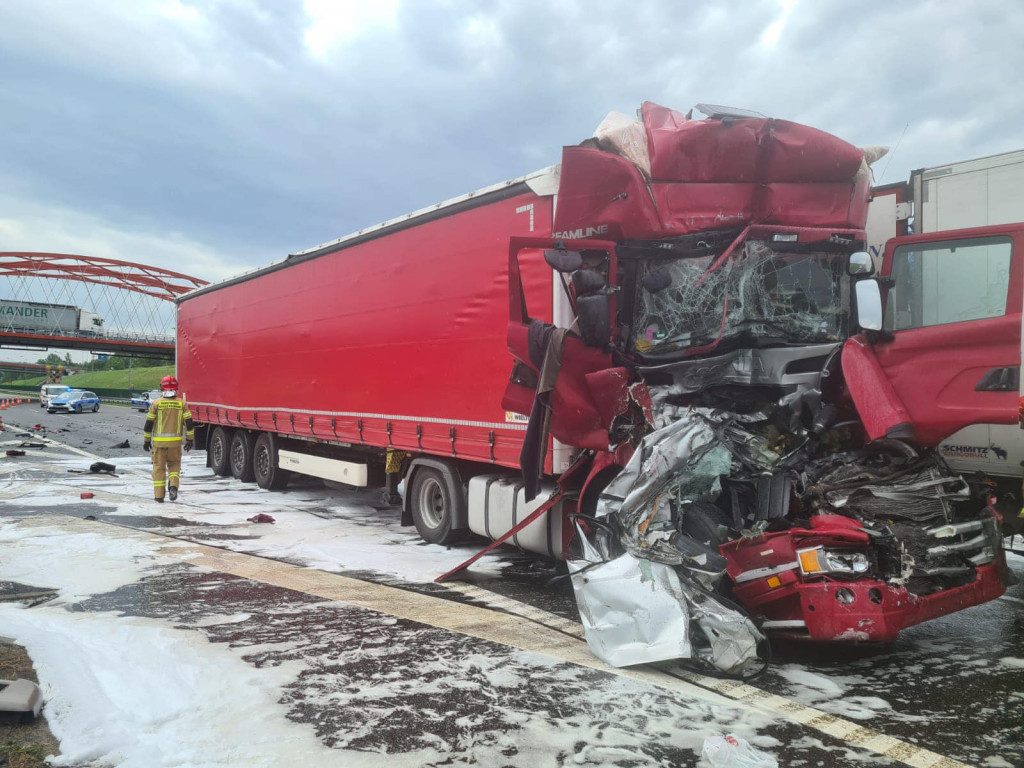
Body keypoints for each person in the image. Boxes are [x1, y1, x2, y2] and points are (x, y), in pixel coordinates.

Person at [143, 375, 194, 502]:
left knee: (159, 469)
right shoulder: (182, 404)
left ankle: (159, 497)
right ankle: (173, 486)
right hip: (175, 444)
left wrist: (147, 441)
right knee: (174, 466)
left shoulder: (156, 403)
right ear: (176, 388)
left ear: (162, 387)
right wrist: (189, 440)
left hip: (159, 445)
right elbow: (189, 423)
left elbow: (148, 424)